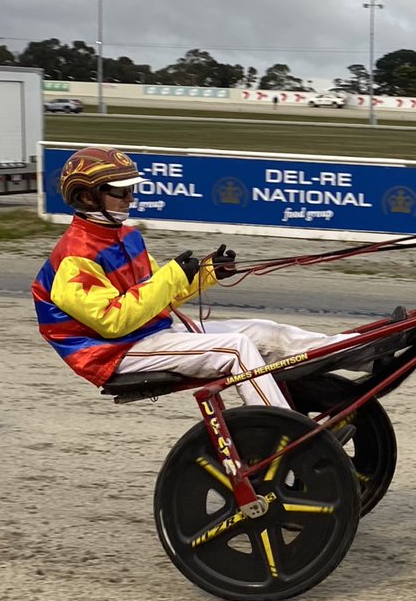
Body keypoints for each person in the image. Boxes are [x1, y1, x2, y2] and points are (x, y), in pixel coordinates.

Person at [33, 145, 365, 409]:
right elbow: (114, 322)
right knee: (235, 349)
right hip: (114, 353)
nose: (130, 198)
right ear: (87, 196)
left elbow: (158, 296)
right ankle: (285, 434)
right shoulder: (75, 258)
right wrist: (172, 277)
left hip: (150, 334)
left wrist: (206, 273)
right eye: (121, 192)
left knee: (264, 331)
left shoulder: (126, 236)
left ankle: (359, 351)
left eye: (130, 190)